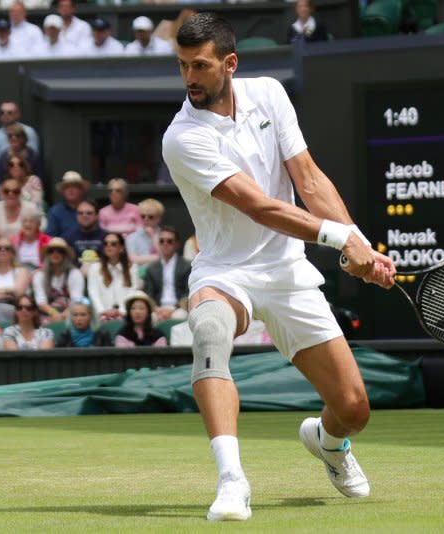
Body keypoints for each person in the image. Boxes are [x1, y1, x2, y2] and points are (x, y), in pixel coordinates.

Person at [161, 13, 395, 521]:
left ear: (230, 63)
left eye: (199, 66)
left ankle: (328, 444)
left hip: (287, 272)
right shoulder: (181, 137)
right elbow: (259, 206)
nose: (189, 78)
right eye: (181, 66)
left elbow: (308, 180)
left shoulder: (268, 94)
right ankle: (231, 481)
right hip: (225, 271)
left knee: (354, 409)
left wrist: (359, 244)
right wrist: (339, 240)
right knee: (208, 328)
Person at [86, 232, 141, 322]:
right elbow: (93, 292)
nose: (108, 246)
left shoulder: (132, 267)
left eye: (113, 244)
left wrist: (122, 311)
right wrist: (102, 311)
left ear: (121, 247)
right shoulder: (95, 268)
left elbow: (132, 291)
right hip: (101, 316)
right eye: (105, 243)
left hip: (125, 315)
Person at [142, 226, 190, 322]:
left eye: (169, 241)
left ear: (177, 244)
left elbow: (187, 293)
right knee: (149, 318)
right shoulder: (151, 268)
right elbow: (148, 293)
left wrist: (172, 309)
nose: (165, 244)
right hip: (157, 309)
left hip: (179, 308)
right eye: (162, 241)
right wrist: (156, 309)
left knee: (179, 316)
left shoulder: (186, 266)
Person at [32, 237, 84, 324]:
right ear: (47, 255)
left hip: (71, 312)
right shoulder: (39, 276)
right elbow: (41, 302)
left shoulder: (75, 273)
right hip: (47, 313)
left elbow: (77, 299)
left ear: (65, 255)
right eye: (51, 251)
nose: (55, 253)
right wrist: (55, 314)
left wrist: (63, 316)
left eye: (60, 251)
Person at [0, 239, 31, 324]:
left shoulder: (21, 270)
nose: (2, 250)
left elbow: (18, 292)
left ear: (13, 253)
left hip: (13, 307)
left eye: (7, 248)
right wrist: (8, 290)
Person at [46, 171, 89, 237]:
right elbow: (50, 238)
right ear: (62, 191)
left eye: (74, 186)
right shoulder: (55, 212)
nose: (71, 190)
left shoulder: (90, 210)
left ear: (81, 190)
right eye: (67, 187)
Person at [62, 199, 105, 263]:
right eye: (80, 213)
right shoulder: (67, 239)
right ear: (76, 216)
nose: (84, 216)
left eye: (89, 213)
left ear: (97, 216)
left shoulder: (107, 237)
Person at [125, 198, 164, 266]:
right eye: (143, 216)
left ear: (159, 218)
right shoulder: (132, 237)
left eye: (150, 217)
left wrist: (153, 237)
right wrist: (158, 257)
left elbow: (166, 257)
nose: (146, 219)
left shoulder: (165, 235)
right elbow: (133, 259)